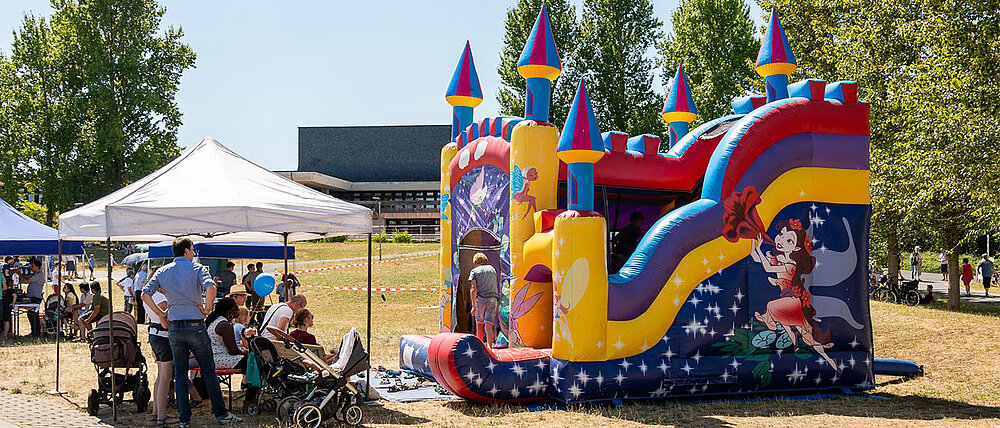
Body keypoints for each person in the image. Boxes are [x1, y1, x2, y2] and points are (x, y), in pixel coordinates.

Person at [140, 238, 242, 426]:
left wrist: (161, 314)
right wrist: (207, 309)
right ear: (187, 251)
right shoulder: (197, 268)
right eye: (192, 249)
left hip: (174, 325)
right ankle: (220, 413)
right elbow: (211, 287)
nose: (193, 253)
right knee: (209, 370)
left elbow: (144, 294)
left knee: (179, 374)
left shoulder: (163, 271)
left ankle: (184, 420)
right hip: (195, 323)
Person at [192, 298, 259, 412]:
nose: (238, 311)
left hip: (214, 357)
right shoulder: (224, 325)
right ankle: (249, 400)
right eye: (236, 309)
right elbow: (233, 350)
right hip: (219, 358)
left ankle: (250, 398)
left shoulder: (215, 321)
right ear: (230, 312)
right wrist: (245, 352)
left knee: (250, 362)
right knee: (253, 363)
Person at [468, 253, 499, 347]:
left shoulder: (474, 271)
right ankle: (490, 346)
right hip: (493, 299)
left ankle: (480, 346)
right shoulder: (492, 269)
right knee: (489, 325)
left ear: (475, 263)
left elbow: (474, 288)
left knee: (479, 324)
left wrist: (473, 306)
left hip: (481, 299)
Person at [15, 258, 46, 337]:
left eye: (32, 266)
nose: (31, 268)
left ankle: (36, 332)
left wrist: (19, 273)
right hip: (32, 296)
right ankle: (34, 331)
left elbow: (26, 281)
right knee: (30, 314)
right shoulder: (35, 274)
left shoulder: (39, 274)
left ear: (37, 267)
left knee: (34, 315)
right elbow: (26, 277)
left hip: (36, 297)